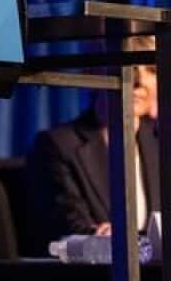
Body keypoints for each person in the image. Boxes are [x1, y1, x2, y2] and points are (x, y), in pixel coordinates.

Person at [27, 36, 160, 254]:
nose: (140, 81)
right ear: (94, 73)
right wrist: (98, 238)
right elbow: (68, 229)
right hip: (95, 278)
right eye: (130, 67)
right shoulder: (58, 146)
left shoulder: (160, 142)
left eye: (152, 70)